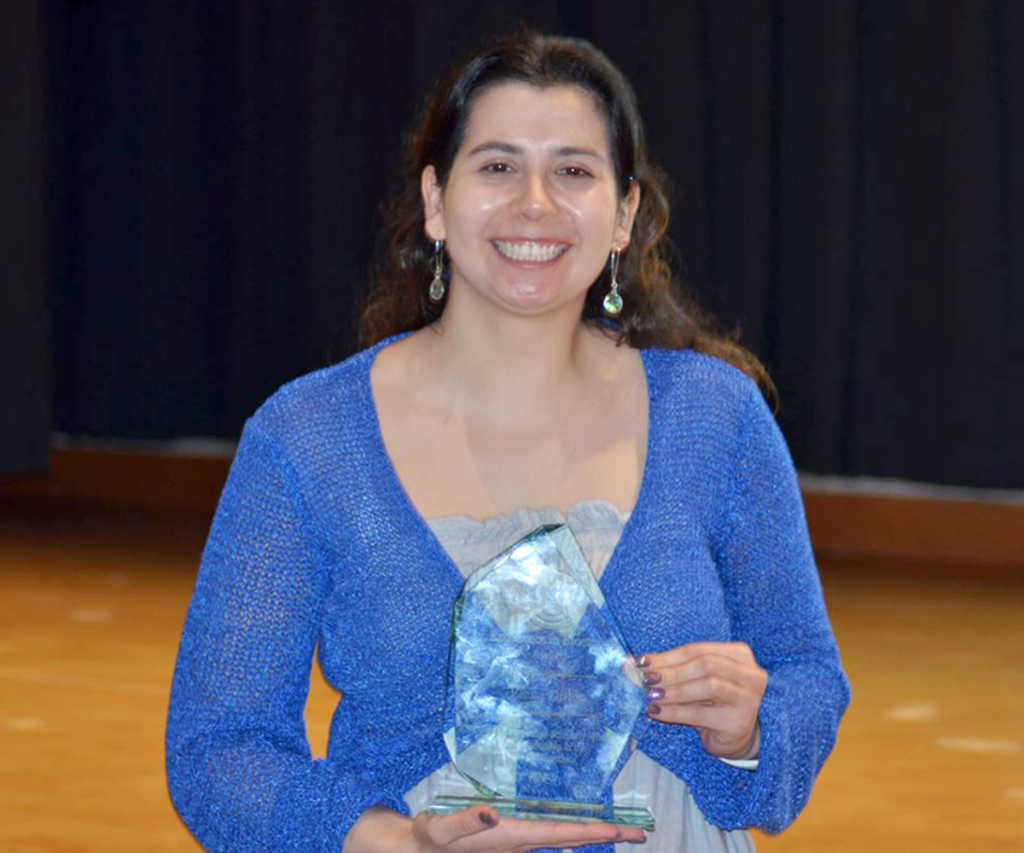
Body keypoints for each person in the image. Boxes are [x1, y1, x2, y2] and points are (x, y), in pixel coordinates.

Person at [166, 31, 850, 853]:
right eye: (496, 166)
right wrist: (377, 837)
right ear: (434, 201)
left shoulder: (719, 419)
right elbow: (217, 748)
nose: (535, 202)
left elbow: (809, 674)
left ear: (624, 213)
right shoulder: (306, 439)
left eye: (574, 170)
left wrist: (754, 730)